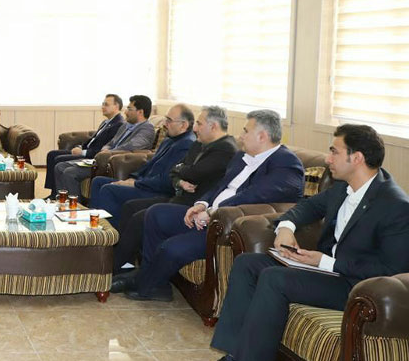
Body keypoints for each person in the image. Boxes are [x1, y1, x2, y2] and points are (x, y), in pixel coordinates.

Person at [187, 124, 409, 361]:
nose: (328, 159)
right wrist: (286, 227)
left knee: (274, 279)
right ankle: (234, 359)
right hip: (327, 271)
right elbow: (307, 207)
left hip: (355, 286)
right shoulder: (344, 188)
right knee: (247, 264)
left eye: (334, 152)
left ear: (357, 158)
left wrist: (326, 262)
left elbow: (392, 270)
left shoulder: (395, 205)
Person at [126, 109, 304, 301]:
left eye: (245, 131)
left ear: (262, 136)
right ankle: (153, 283)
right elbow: (220, 186)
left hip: (228, 227)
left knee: (171, 248)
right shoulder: (241, 156)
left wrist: (213, 212)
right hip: (208, 215)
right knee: (156, 214)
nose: (240, 136)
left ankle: (144, 282)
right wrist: (202, 204)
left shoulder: (286, 164)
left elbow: (253, 196)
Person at [110, 106, 238, 280]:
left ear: (213, 126)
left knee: (143, 217)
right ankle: (123, 264)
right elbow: (175, 171)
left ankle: (126, 271)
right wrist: (180, 179)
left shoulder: (225, 149)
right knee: (130, 207)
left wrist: (181, 171)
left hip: (191, 205)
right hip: (180, 198)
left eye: (199, 124)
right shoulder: (199, 143)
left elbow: (192, 173)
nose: (195, 128)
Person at [89, 104, 197, 228]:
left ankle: (110, 234)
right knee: (98, 181)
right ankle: (92, 227)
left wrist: (136, 184)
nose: (164, 124)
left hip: (156, 191)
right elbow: (149, 164)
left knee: (109, 190)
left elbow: (166, 180)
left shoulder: (186, 145)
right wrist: (133, 178)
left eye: (169, 120)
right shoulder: (169, 140)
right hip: (145, 184)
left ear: (183, 125)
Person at [55, 95, 157, 200]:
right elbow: (111, 142)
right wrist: (106, 148)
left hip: (116, 163)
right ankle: (61, 200)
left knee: (70, 172)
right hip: (102, 159)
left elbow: (131, 146)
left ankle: (74, 205)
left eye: (129, 109)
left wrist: (109, 152)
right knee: (60, 166)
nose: (125, 112)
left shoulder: (147, 129)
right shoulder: (125, 126)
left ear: (140, 112)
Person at [44, 94, 125, 199]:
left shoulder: (118, 124)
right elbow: (92, 140)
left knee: (59, 160)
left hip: (92, 156)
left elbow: (104, 148)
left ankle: (59, 195)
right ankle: (55, 194)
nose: (103, 107)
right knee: (52, 154)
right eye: (102, 104)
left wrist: (83, 152)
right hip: (87, 151)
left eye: (106, 104)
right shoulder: (106, 122)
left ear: (116, 106)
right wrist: (80, 147)